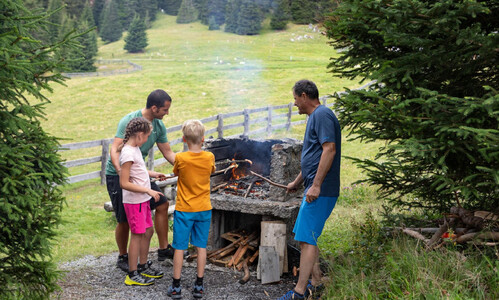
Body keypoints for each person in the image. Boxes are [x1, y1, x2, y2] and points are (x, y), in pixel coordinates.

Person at [278, 80, 341, 300]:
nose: (295, 104)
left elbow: (329, 150)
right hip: (315, 187)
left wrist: (316, 185)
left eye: (295, 98)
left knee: (307, 239)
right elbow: (313, 157)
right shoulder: (315, 117)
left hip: (321, 190)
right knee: (306, 237)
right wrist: (297, 182)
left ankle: (299, 292)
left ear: (304, 96)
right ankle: (317, 281)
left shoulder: (322, 115)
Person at [106, 89, 177, 273]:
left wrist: (188, 165)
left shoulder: (158, 127)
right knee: (124, 219)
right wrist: (122, 171)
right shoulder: (130, 121)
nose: (167, 113)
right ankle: (123, 256)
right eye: (165, 110)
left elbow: (168, 153)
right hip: (119, 174)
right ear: (154, 108)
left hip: (139, 173)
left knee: (162, 202)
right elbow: (115, 149)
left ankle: (163, 249)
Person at [167, 120, 216, 299]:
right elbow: (211, 171)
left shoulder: (180, 158)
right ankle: (199, 286)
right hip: (204, 208)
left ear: (184, 139)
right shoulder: (209, 157)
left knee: (179, 247)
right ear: (203, 139)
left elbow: (177, 173)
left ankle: (176, 287)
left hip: (184, 209)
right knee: (200, 247)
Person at [118, 117, 166, 285]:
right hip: (134, 202)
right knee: (137, 235)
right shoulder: (128, 153)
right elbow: (124, 182)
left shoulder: (135, 148)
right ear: (139, 135)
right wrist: (147, 189)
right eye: (146, 137)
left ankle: (143, 266)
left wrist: (154, 174)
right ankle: (132, 274)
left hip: (143, 200)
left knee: (148, 232)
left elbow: (140, 170)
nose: (147, 140)